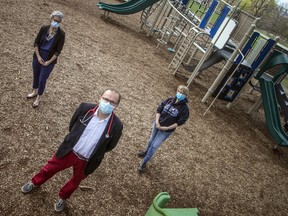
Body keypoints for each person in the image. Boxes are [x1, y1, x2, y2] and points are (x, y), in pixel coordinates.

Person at [21, 89, 123, 212]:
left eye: (112, 102)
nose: (108, 103)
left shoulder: (117, 125)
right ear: (100, 98)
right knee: (49, 168)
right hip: (70, 151)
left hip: (87, 161)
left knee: (75, 182)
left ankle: (62, 197)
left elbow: (110, 146)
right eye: (106, 99)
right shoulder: (85, 108)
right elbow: (72, 126)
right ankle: (35, 182)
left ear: (116, 106)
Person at [137, 85, 189, 172]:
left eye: (183, 93)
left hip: (166, 130)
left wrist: (167, 127)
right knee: (151, 140)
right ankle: (146, 152)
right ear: (177, 91)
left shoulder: (185, 109)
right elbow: (159, 110)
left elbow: (180, 122)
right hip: (157, 124)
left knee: (154, 145)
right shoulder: (169, 100)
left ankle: (144, 162)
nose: (180, 94)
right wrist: (157, 121)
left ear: (186, 96)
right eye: (179, 92)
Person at [26, 11, 65, 108]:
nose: (56, 22)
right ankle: (34, 91)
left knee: (42, 79)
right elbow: (36, 43)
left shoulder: (61, 34)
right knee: (36, 74)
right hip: (38, 56)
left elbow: (58, 51)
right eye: (55, 20)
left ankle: (38, 97)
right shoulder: (44, 28)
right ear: (51, 19)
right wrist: (38, 56)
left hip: (49, 59)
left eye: (58, 21)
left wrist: (48, 62)